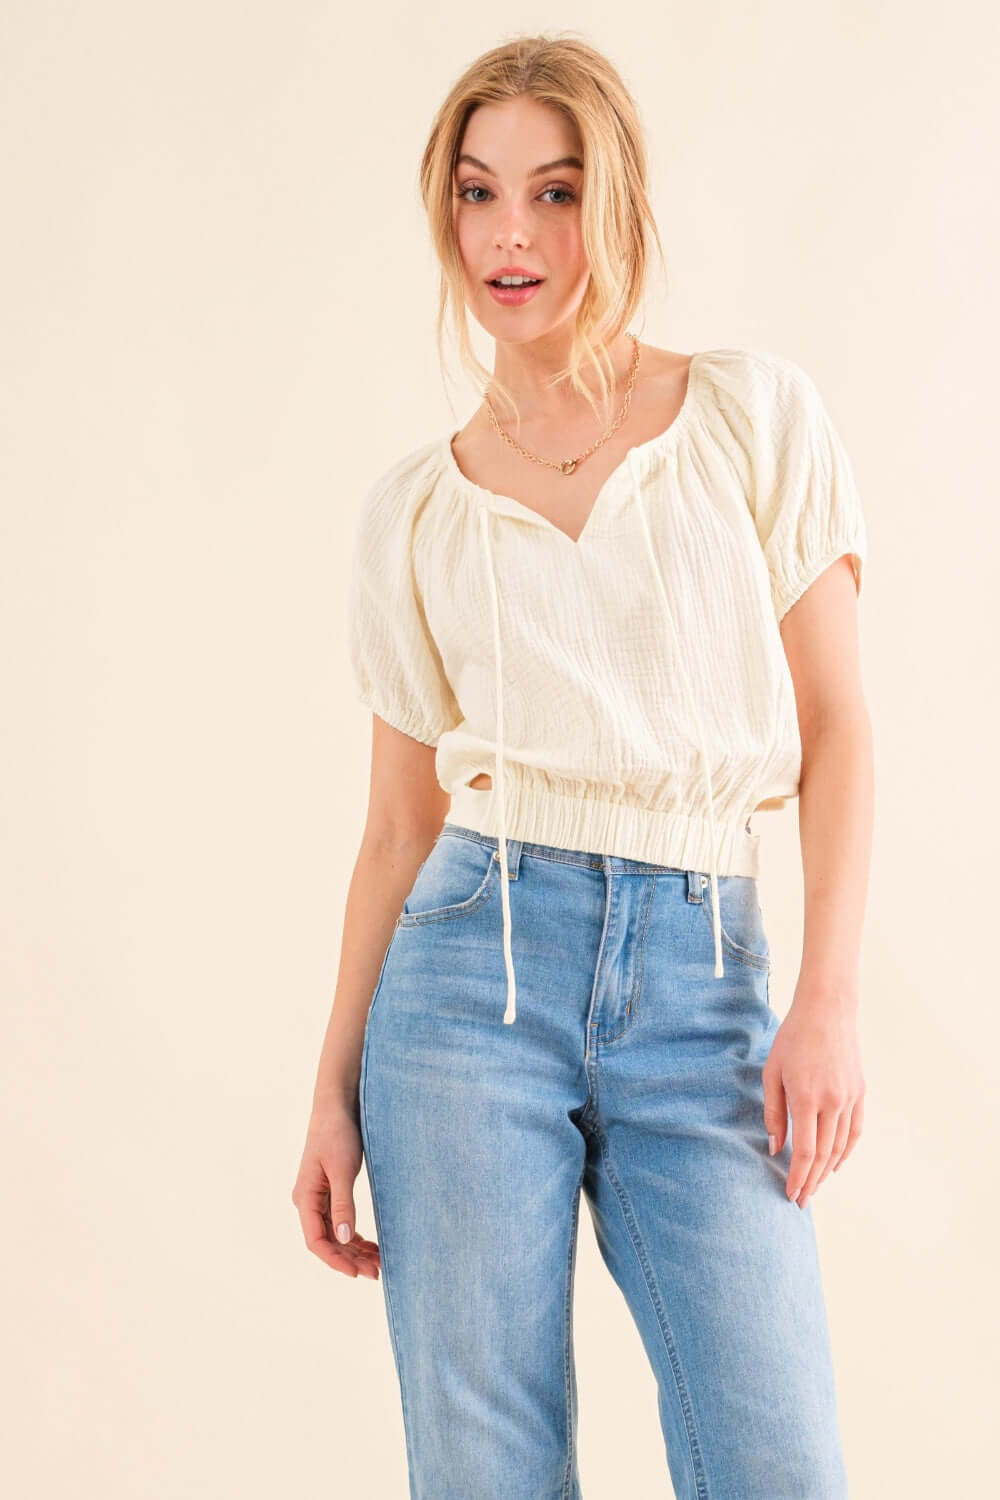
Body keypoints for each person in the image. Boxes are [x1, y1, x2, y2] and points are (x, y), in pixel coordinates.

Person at [292, 32, 871, 1500]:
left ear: (613, 205)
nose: (511, 235)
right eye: (479, 194)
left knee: (779, 1462)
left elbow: (841, 727)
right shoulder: (416, 514)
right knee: (486, 1471)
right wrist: (329, 1087)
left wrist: (829, 999)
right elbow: (395, 826)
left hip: (705, 982)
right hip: (466, 982)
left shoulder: (749, 421)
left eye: (554, 192)